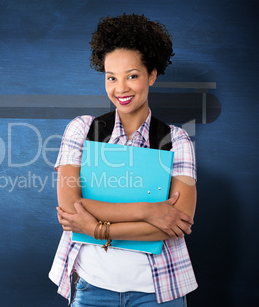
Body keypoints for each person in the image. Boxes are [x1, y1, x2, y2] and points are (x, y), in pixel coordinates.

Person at [49, 13, 198, 306]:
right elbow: (70, 207)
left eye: (132, 76)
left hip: (159, 292)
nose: (120, 89)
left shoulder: (176, 140)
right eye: (111, 77)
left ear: (151, 75)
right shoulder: (82, 129)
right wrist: (147, 210)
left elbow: (177, 222)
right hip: (91, 289)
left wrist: (95, 228)